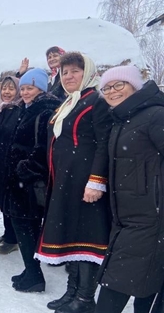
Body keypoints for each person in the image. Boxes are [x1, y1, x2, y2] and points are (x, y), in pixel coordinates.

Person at [35, 52, 113, 313]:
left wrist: (96, 181)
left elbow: (104, 145)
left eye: (74, 71)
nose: (68, 76)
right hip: (66, 182)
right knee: (72, 235)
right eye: (65, 72)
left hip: (85, 183)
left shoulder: (96, 101)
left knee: (87, 239)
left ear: (88, 72)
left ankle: (86, 298)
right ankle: (72, 292)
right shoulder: (68, 103)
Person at [94, 66, 164, 313]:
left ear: (134, 85)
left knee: (117, 288)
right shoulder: (122, 121)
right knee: (141, 286)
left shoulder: (154, 115)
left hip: (151, 222)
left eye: (119, 85)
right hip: (126, 221)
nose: (112, 91)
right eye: (107, 88)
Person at [4, 69, 61, 292]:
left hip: (29, 182)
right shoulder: (28, 109)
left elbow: (43, 148)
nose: (25, 92)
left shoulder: (43, 111)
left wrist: (24, 168)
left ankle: (35, 276)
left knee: (26, 226)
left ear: (42, 89)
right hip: (20, 181)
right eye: (24, 88)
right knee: (24, 226)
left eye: (30, 88)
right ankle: (30, 269)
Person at [0, 76, 21, 255]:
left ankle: (13, 238)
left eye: (11, 89)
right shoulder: (0, 110)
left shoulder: (18, 110)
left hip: (9, 163)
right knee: (4, 202)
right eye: (4, 88)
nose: (7, 92)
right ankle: (8, 233)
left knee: (11, 202)